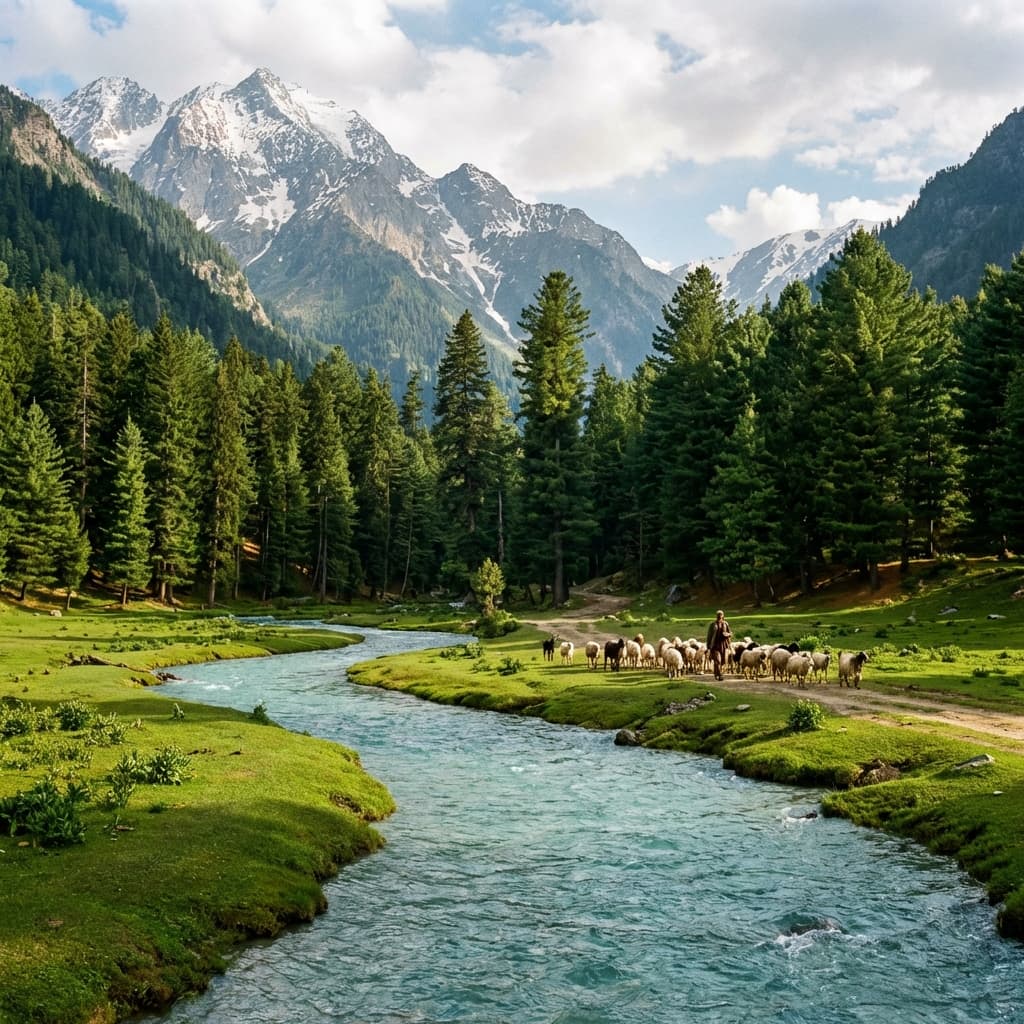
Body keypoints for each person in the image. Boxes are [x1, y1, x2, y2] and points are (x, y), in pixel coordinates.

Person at [706, 609, 732, 681]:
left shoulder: (726, 624)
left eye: (721, 615)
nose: (719, 617)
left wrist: (727, 634)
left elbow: (730, 633)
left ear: (723, 616)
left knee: (723, 661)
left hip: (723, 645)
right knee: (718, 660)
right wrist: (708, 646)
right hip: (715, 645)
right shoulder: (713, 625)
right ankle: (720, 674)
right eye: (718, 615)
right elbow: (709, 635)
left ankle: (716, 673)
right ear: (716, 616)